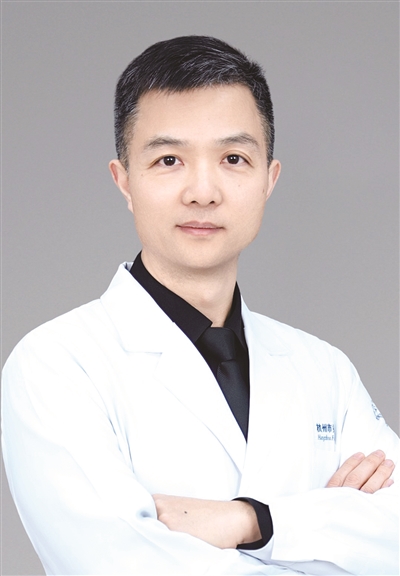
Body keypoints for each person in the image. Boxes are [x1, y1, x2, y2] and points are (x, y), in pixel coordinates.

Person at [2, 36, 398, 576]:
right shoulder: (54, 365)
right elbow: (121, 565)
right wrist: (335, 533)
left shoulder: (324, 369)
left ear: (269, 179)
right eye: (169, 160)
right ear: (124, 181)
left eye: (233, 158)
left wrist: (254, 521)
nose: (203, 191)